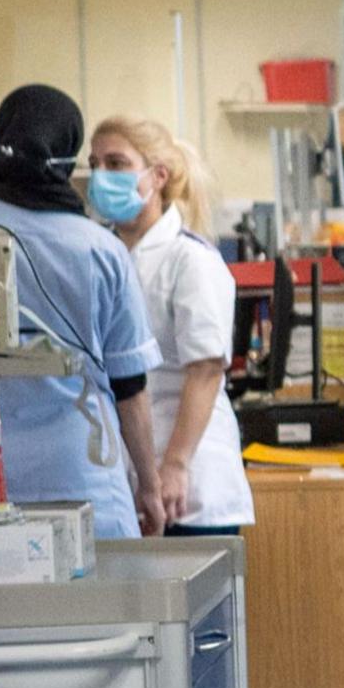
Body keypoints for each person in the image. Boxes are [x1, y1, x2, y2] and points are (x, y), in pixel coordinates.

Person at [0, 84, 163, 540]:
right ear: (67, 156)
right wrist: (150, 487)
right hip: (83, 476)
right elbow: (130, 385)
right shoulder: (100, 249)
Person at [86, 115, 254, 536]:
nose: (101, 175)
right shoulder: (101, 254)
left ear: (157, 176)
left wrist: (175, 466)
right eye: (95, 164)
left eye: (116, 163)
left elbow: (206, 369)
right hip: (127, 478)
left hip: (187, 479)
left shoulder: (190, 259)